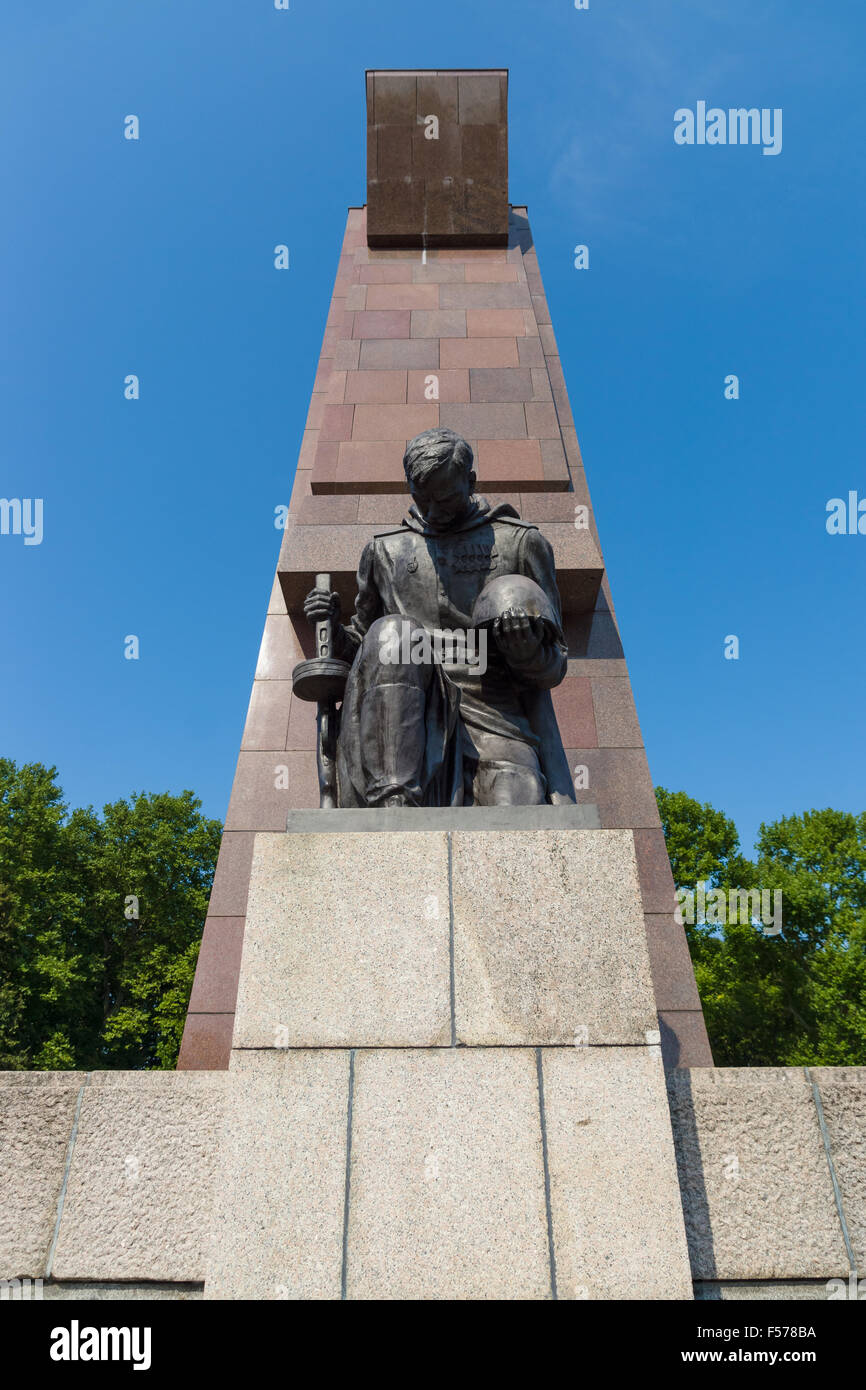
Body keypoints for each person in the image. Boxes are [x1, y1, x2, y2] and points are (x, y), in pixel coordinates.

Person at [302, 427, 571, 807]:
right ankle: (394, 804)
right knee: (393, 632)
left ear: (471, 481)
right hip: (400, 711)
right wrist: (332, 623)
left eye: (445, 499)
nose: (432, 512)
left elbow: (554, 667)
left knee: (517, 811)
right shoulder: (385, 550)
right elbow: (363, 646)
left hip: (492, 714)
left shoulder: (520, 543)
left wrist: (527, 650)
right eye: (421, 498)